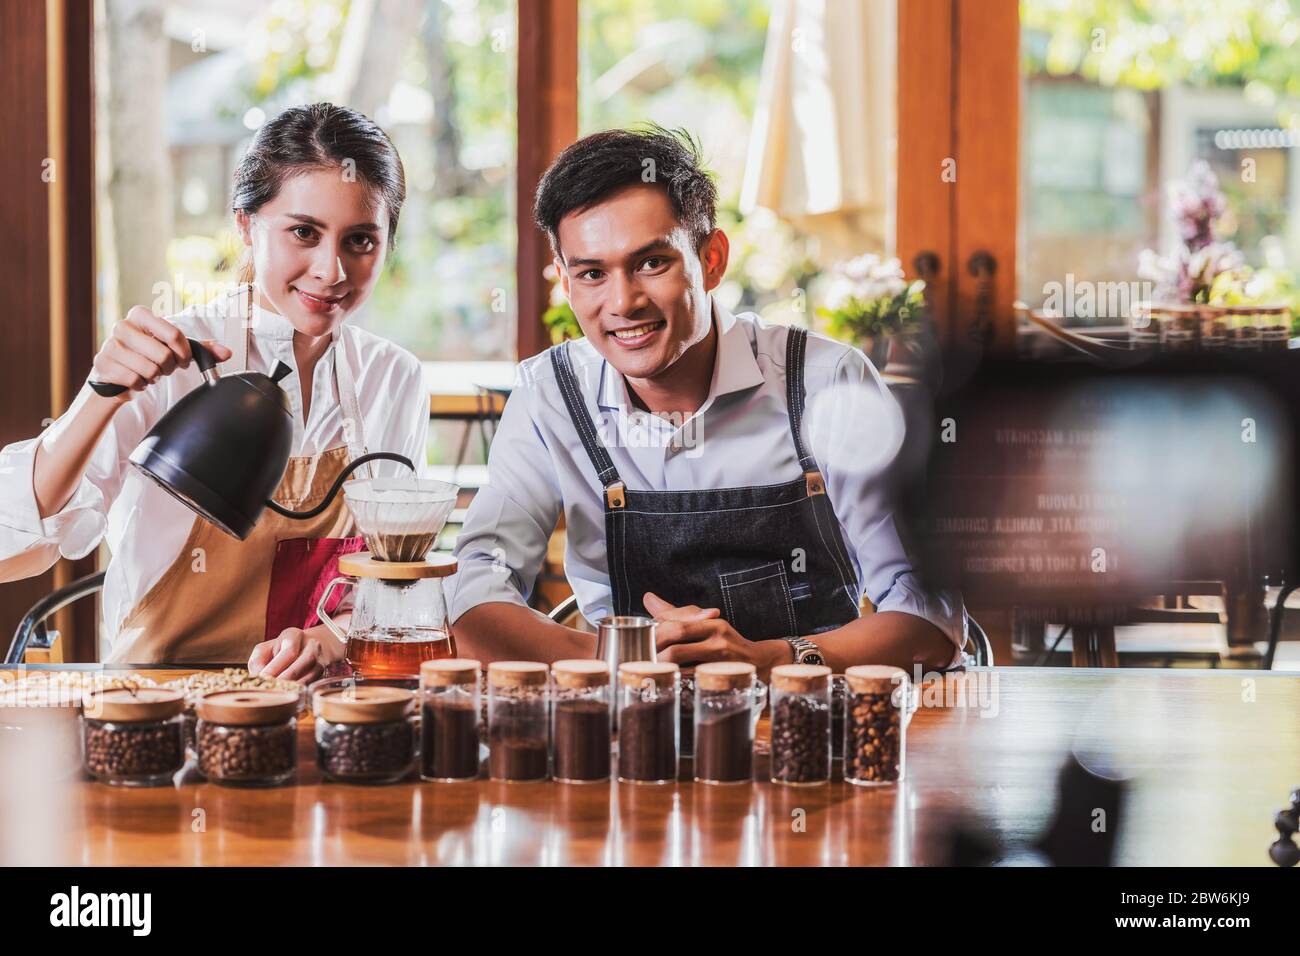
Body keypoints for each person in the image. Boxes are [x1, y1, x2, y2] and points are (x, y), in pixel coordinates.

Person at [449, 126, 966, 676]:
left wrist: (770, 660)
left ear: (712, 259)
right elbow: (474, 588)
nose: (623, 302)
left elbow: (930, 614)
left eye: (652, 263)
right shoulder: (548, 394)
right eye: (593, 274)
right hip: (625, 725)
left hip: (810, 722)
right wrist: (617, 656)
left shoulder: (826, 382)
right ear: (568, 284)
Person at [0, 103, 428, 681]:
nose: (331, 270)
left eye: (360, 240)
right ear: (247, 227)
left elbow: (392, 573)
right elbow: (20, 538)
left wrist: (332, 637)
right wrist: (99, 397)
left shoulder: (392, 379)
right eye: (304, 232)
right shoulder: (168, 357)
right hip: (154, 702)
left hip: (319, 711)